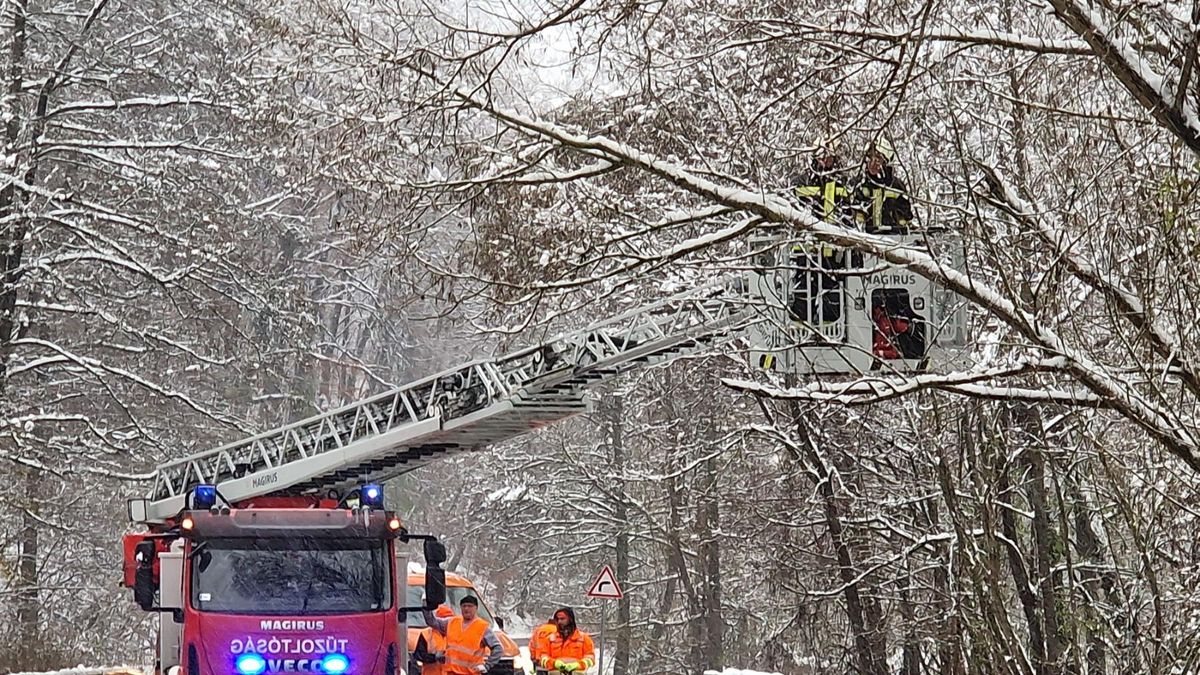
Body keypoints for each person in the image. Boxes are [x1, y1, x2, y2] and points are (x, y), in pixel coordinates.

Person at [788, 145, 854, 329]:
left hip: (834, 253)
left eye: (829, 157)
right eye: (821, 156)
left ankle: (828, 330)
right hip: (805, 251)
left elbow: (852, 217)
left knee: (832, 298)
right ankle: (799, 331)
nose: (825, 161)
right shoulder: (800, 183)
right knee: (802, 295)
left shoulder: (844, 184)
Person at [422, 595, 503, 675]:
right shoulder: (451, 622)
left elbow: (498, 648)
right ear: (460, 607)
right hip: (450, 672)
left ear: (476, 608)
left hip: (470, 673)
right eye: (464, 606)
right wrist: (426, 604)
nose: (466, 609)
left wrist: (487, 665)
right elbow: (431, 621)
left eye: (470, 606)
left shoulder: (483, 628)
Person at [854, 138, 914, 234]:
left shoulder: (896, 187)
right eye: (871, 157)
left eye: (878, 158)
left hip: (892, 242)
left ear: (886, 163)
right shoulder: (859, 184)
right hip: (866, 243)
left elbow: (905, 219)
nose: (873, 162)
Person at [536, 607, 595, 674]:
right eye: (557, 619)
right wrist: (554, 663)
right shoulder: (550, 639)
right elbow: (542, 658)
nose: (559, 622)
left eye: (562, 619)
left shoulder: (583, 639)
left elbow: (590, 659)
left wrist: (578, 665)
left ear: (570, 619)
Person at [411, 605, 455, 675]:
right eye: (444, 621)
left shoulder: (457, 634)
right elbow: (419, 655)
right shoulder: (426, 634)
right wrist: (435, 658)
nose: (446, 624)